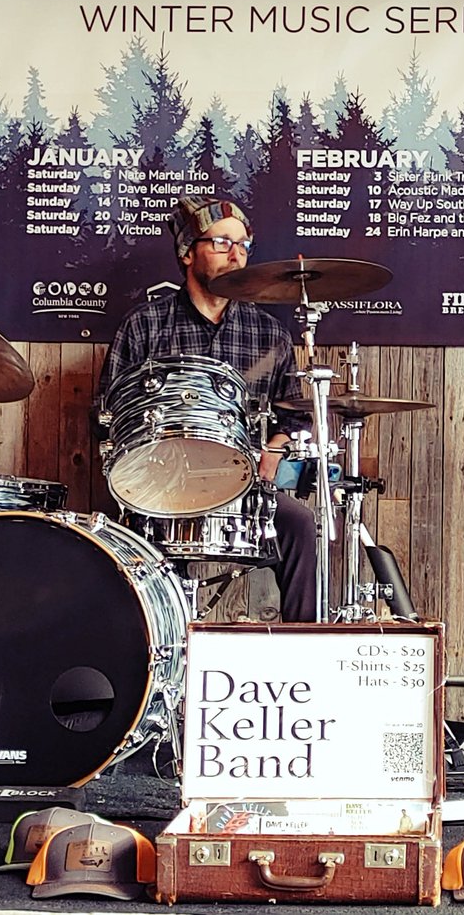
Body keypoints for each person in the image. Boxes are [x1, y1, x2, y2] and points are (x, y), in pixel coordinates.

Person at [96, 195, 316, 622]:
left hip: (244, 484)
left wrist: (274, 451)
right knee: (124, 541)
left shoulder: (268, 334)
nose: (236, 255)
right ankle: (153, 651)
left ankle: (302, 650)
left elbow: (295, 416)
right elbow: (107, 412)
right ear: (186, 253)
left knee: (301, 526)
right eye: (220, 243)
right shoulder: (144, 325)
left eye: (243, 245)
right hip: (161, 485)